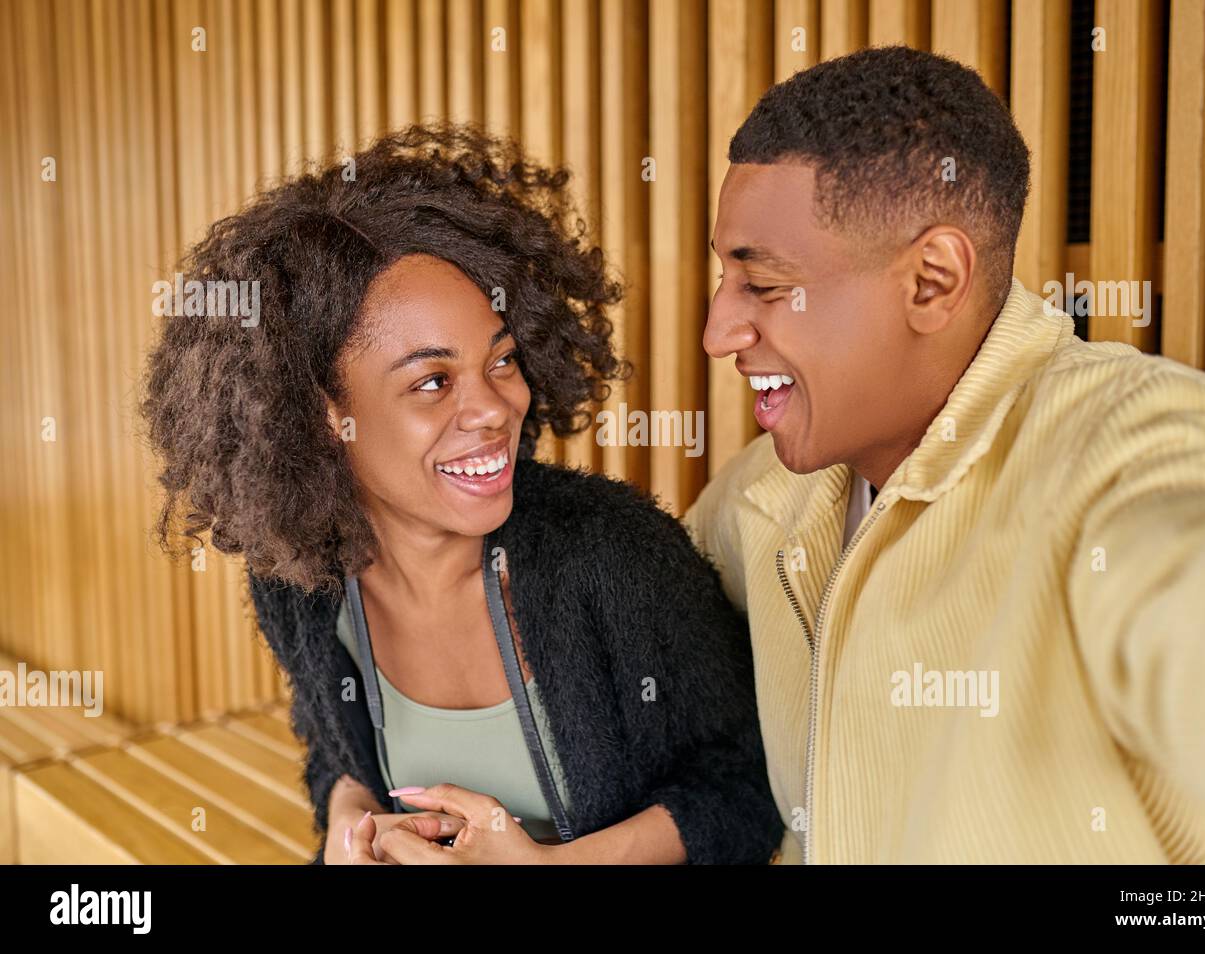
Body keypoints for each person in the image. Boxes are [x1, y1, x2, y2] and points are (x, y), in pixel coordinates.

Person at [685, 45, 1205, 864]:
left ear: (932, 281)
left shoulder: (1134, 444)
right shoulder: (765, 496)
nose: (717, 332)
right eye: (725, 280)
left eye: (762, 287)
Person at [141, 122, 783, 865]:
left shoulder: (615, 556)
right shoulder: (299, 580)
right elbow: (335, 752)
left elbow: (745, 791)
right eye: (433, 381)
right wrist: (352, 824)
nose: (493, 409)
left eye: (502, 361)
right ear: (327, 416)